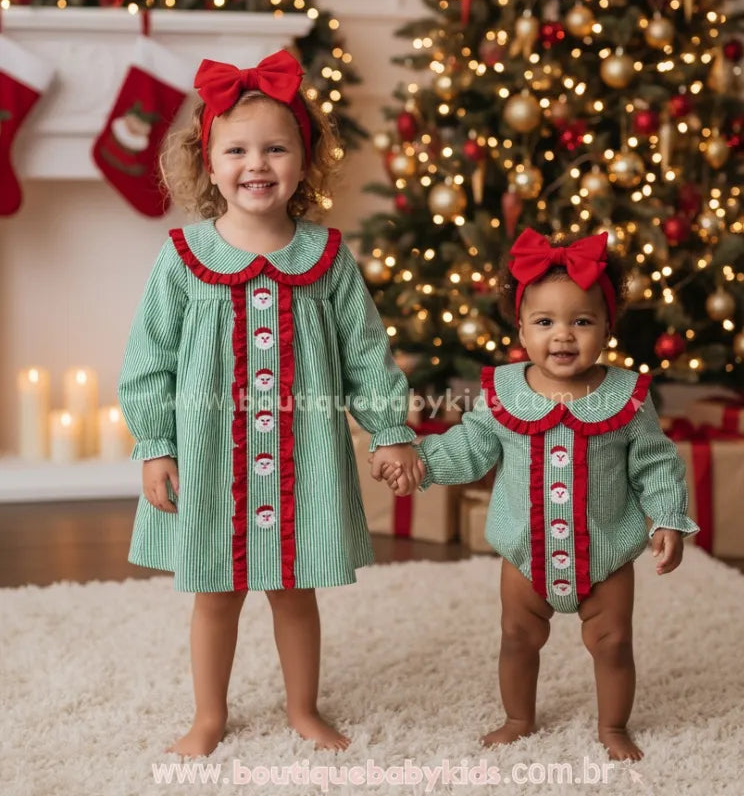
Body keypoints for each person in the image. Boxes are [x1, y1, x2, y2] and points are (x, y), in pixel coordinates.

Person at [118, 50, 421, 757]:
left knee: (294, 587)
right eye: (237, 150)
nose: (257, 164)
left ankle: (303, 709)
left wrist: (390, 429)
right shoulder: (183, 258)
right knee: (216, 592)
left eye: (276, 149)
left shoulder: (327, 257)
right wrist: (155, 445)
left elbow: (365, 352)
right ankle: (209, 717)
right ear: (208, 162)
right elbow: (148, 360)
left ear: (304, 161)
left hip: (301, 460)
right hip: (210, 460)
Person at [383, 228, 698, 761]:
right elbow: (471, 446)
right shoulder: (504, 392)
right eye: (545, 322)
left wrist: (667, 517)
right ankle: (518, 717)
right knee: (517, 637)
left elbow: (656, 462)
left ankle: (613, 726)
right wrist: (421, 464)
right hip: (525, 554)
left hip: (606, 551)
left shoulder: (626, 397)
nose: (563, 336)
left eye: (582, 322)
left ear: (607, 327)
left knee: (614, 643)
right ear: (522, 330)